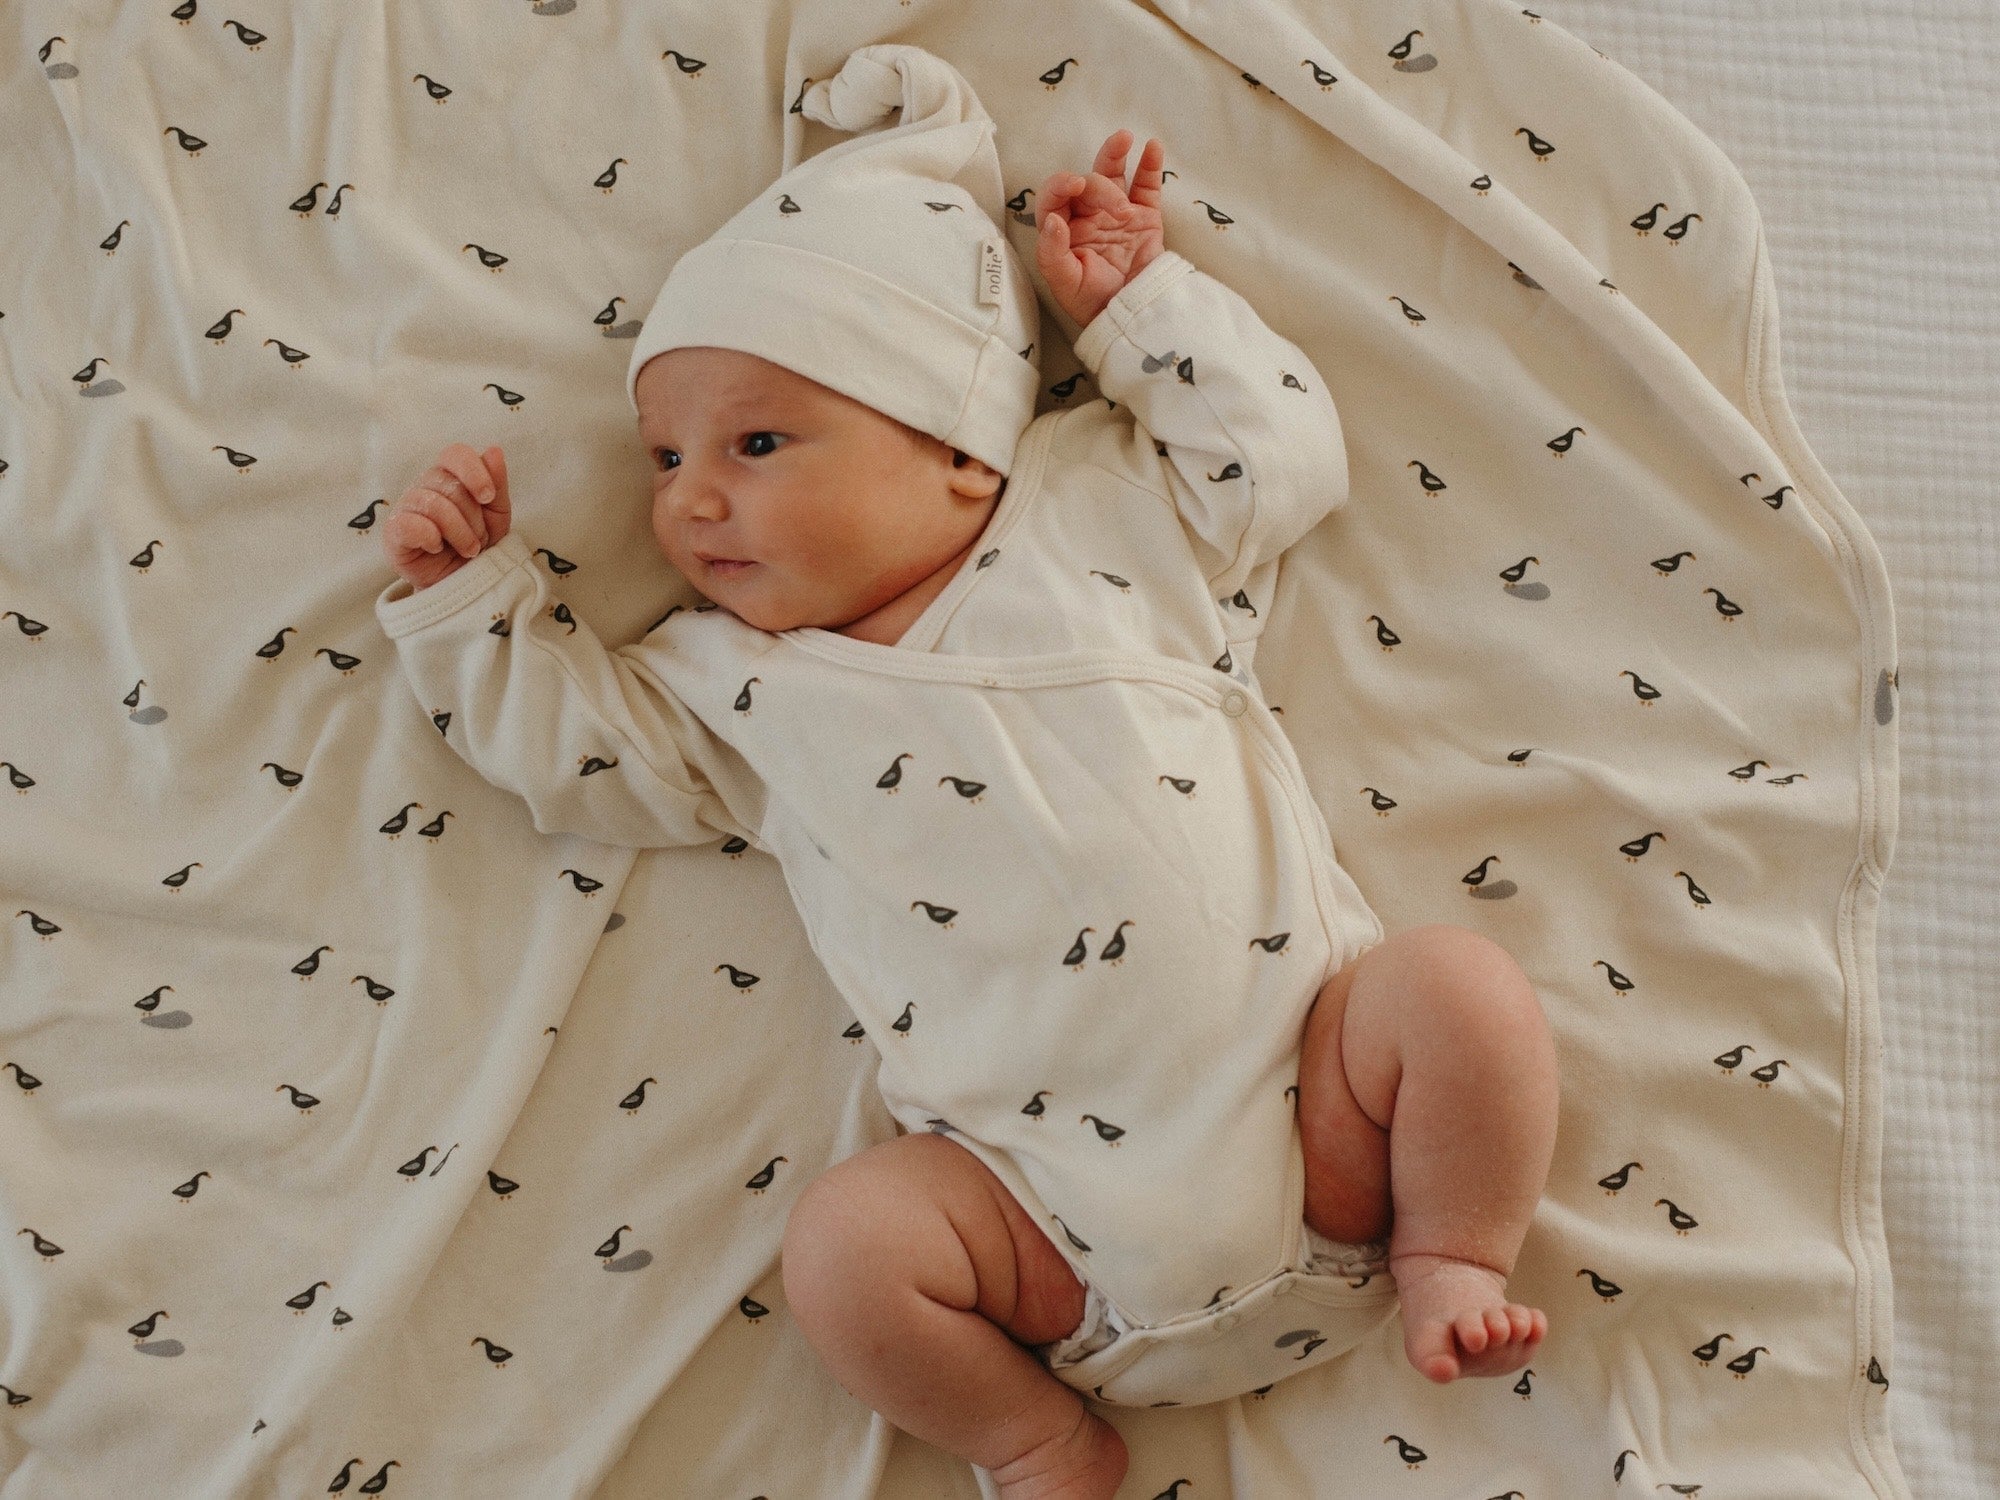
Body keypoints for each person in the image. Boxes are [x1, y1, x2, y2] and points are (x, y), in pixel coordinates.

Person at [374, 44, 1558, 1500]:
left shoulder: (1100, 502)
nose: (688, 497)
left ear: (957, 453)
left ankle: (1455, 1252)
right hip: (1046, 1232)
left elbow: (1281, 457)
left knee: (1454, 995)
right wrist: (466, 609)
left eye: (757, 441)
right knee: (848, 1250)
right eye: (665, 452)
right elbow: (581, 760)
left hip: (1319, 1140)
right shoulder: (733, 683)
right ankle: (1035, 1436)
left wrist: (1134, 312)